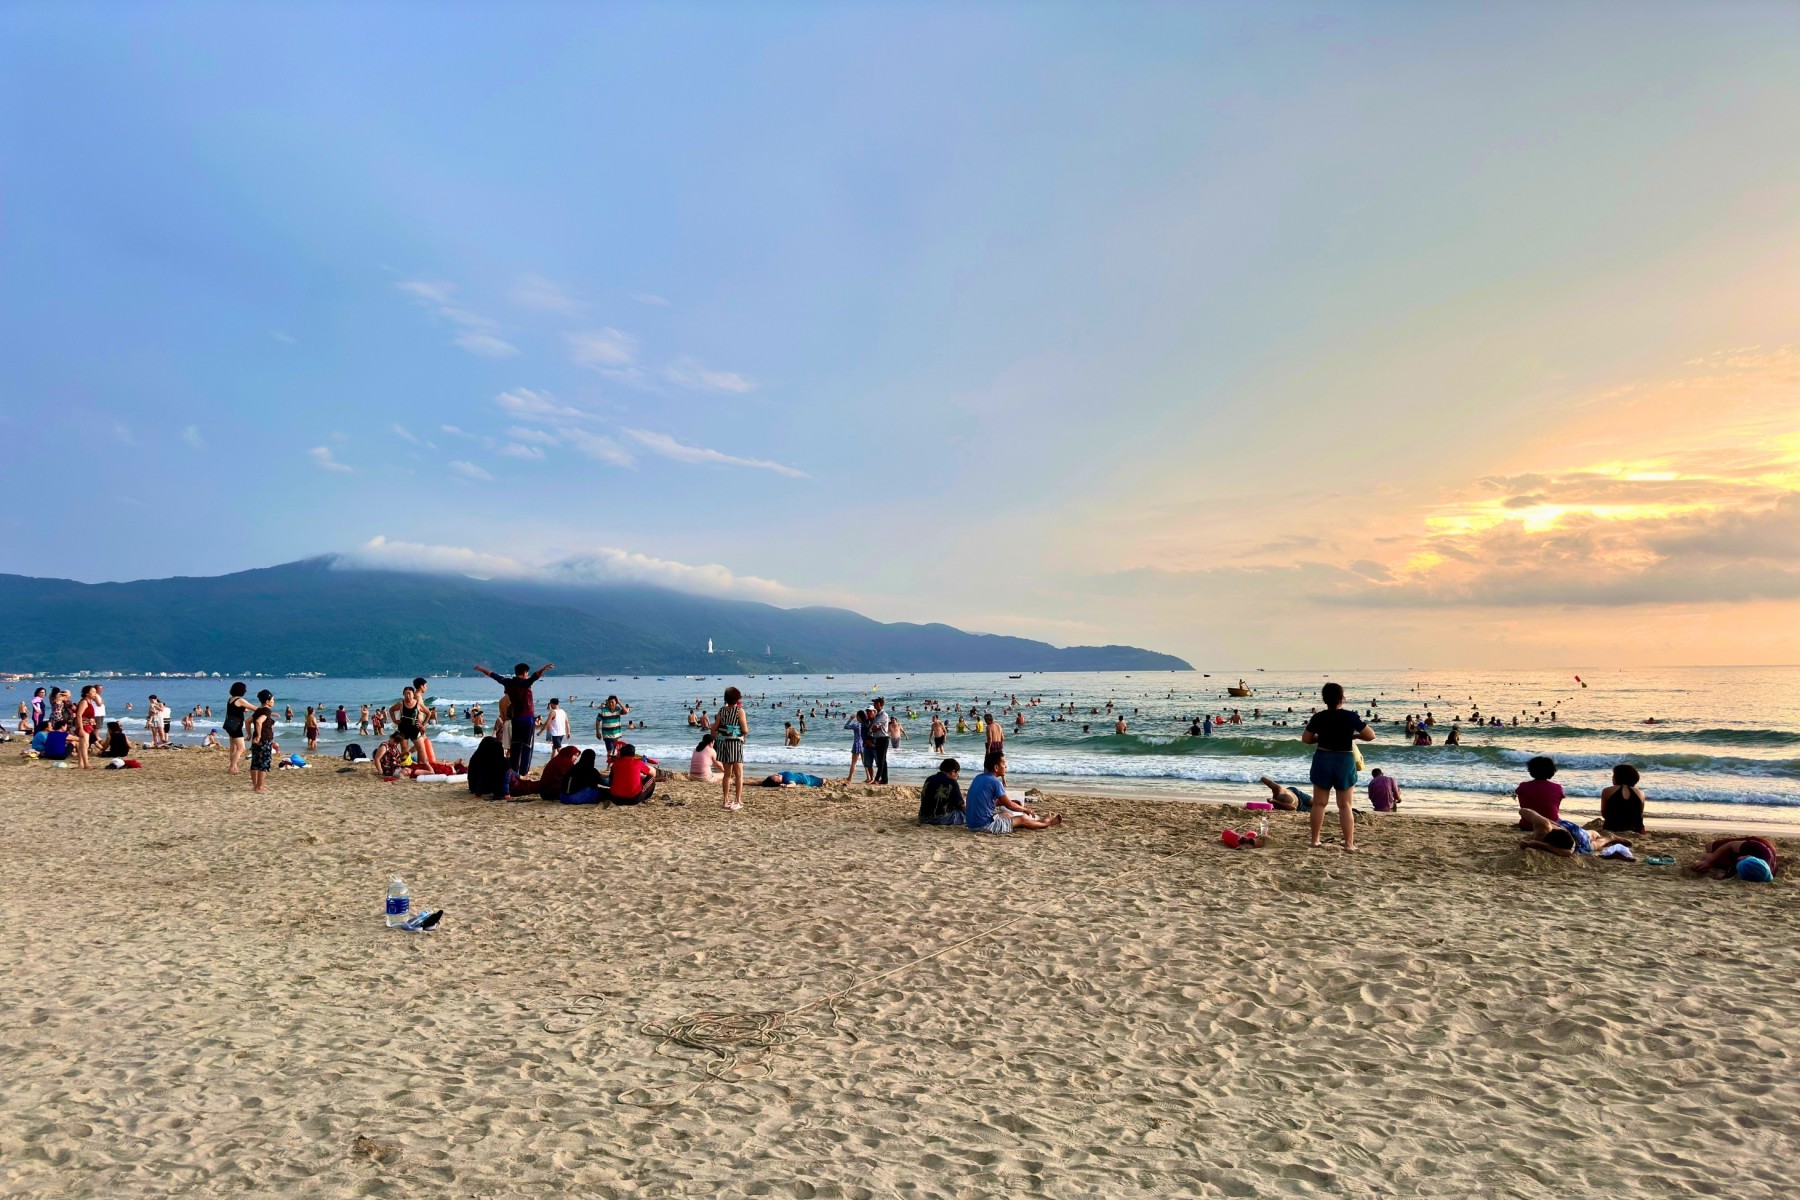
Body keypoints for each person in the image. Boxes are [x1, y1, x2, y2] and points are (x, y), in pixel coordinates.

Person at [1300, 682, 1375, 851]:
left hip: (1323, 757)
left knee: (1319, 803)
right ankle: (1349, 844)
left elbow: (1306, 739)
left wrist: (1320, 738)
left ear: (1324, 699)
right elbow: (1370, 735)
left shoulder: (1319, 717)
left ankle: (1315, 840)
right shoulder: (1350, 716)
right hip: (1344, 760)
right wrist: (1354, 736)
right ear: (1342, 698)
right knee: (1345, 805)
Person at [476, 661, 553, 776]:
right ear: (525, 673)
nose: (527, 675)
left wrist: (481, 669)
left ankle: (514, 771)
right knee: (527, 747)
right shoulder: (525, 683)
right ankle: (523, 773)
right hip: (527, 720)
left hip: (515, 720)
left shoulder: (508, 683)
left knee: (515, 746)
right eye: (527, 673)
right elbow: (535, 676)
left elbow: (494, 675)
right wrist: (544, 668)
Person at [963, 750, 1060, 834]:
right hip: (984, 826)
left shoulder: (978, 777)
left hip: (972, 824)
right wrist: (1025, 809)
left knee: (1007, 815)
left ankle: (1039, 821)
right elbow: (1010, 805)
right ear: (996, 768)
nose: (1006, 766)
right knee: (1023, 818)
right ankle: (1047, 823)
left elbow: (987, 801)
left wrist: (1011, 802)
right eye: (1004, 764)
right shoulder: (995, 782)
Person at [1519, 808, 1630, 858]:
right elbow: (1523, 810)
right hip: (1565, 831)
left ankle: (1610, 837)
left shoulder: (1570, 848)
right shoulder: (1543, 827)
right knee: (1593, 843)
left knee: (1592, 837)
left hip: (1574, 834)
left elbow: (1524, 810)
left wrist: (1534, 844)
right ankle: (1610, 837)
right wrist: (1534, 843)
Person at [712, 686, 749, 810]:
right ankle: (738, 799)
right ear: (737, 698)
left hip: (724, 744)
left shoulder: (721, 711)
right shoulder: (740, 711)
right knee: (739, 774)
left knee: (727, 774)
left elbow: (715, 727)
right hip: (735, 744)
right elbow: (744, 729)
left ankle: (725, 800)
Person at [1689, 836, 1780, 880]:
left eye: (1739, 864)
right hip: (1757, 844)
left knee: (1704, 856)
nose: (1739, 858)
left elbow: (1720, 876)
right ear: (1751, 857)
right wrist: (1709, 861)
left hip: (1745, 865)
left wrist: (1723, 874)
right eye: (1744, 858)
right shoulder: (1759, 848)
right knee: (1708, 846)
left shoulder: (1744, 873)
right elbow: (1730, 845)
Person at [1514, 756, 1564, 827]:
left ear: (1531, 770)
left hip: (1527, 825)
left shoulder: (1523, 786)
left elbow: (1522, 802)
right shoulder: (1558, 787)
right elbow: (1556, 806)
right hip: (1551, 825)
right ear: (1552, 771)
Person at [918, 758, 965, 826]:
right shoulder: (951, 782)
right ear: (952, 771)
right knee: (966, 814)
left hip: (922, 817)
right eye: (956, 773)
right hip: (940, 818)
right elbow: (961, 805)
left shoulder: (929, 778)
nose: (957, 775)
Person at [222, 682, 256, 775]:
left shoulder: (231, 699)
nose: (245, 691)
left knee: (233, 748)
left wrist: (243, 709)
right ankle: (232, 767)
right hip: (236, 727)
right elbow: (254, 708)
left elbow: (234, 710)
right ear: (241, 690)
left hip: (230, 725)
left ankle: (233, 766)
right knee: (241, 748)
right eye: (244, 689)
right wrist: (268, 711)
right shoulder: (240, 700)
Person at [1601, 764, 1646, 834]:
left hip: (1613, 828)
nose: (1612, 777)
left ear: (1618, 776)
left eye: (1614, 775)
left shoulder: (1607, 791)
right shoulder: (1641, 793)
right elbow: (1639, 814)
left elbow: (1604, 814)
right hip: (1637, 829)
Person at [248, 690, 276, 794]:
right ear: (268, 701)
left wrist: (250, 734)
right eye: (272, 700)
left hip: (256, 740)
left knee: (255, 763)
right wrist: (259, 735)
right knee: (264, 763)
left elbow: (247, 722)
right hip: (264, 740)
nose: (273, 701)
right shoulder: (266, 711)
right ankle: (260, 787)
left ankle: (255, 786)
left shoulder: (258, 710)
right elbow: (259, 721)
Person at [866, 697, 892, 785]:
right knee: (882, 760)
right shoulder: (877, 715)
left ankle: (877, 779)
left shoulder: (884, 715)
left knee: (881, 760)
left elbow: (874, 728)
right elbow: (873, 728)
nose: (874, 705)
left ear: (880, 704)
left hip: (883, 739)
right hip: (878, 739)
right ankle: (884, 779)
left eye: (876, 703)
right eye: (874, 703)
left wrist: (873, 729)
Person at [844, 710, 868, 783]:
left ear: (858, 717)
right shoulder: (865, 724)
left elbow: (846, 726)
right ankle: (869, 777)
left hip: (857, 744)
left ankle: (850, 778)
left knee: (854, 762)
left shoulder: (856, 725)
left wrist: (850, 719)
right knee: (865, 762)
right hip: (863, 744)